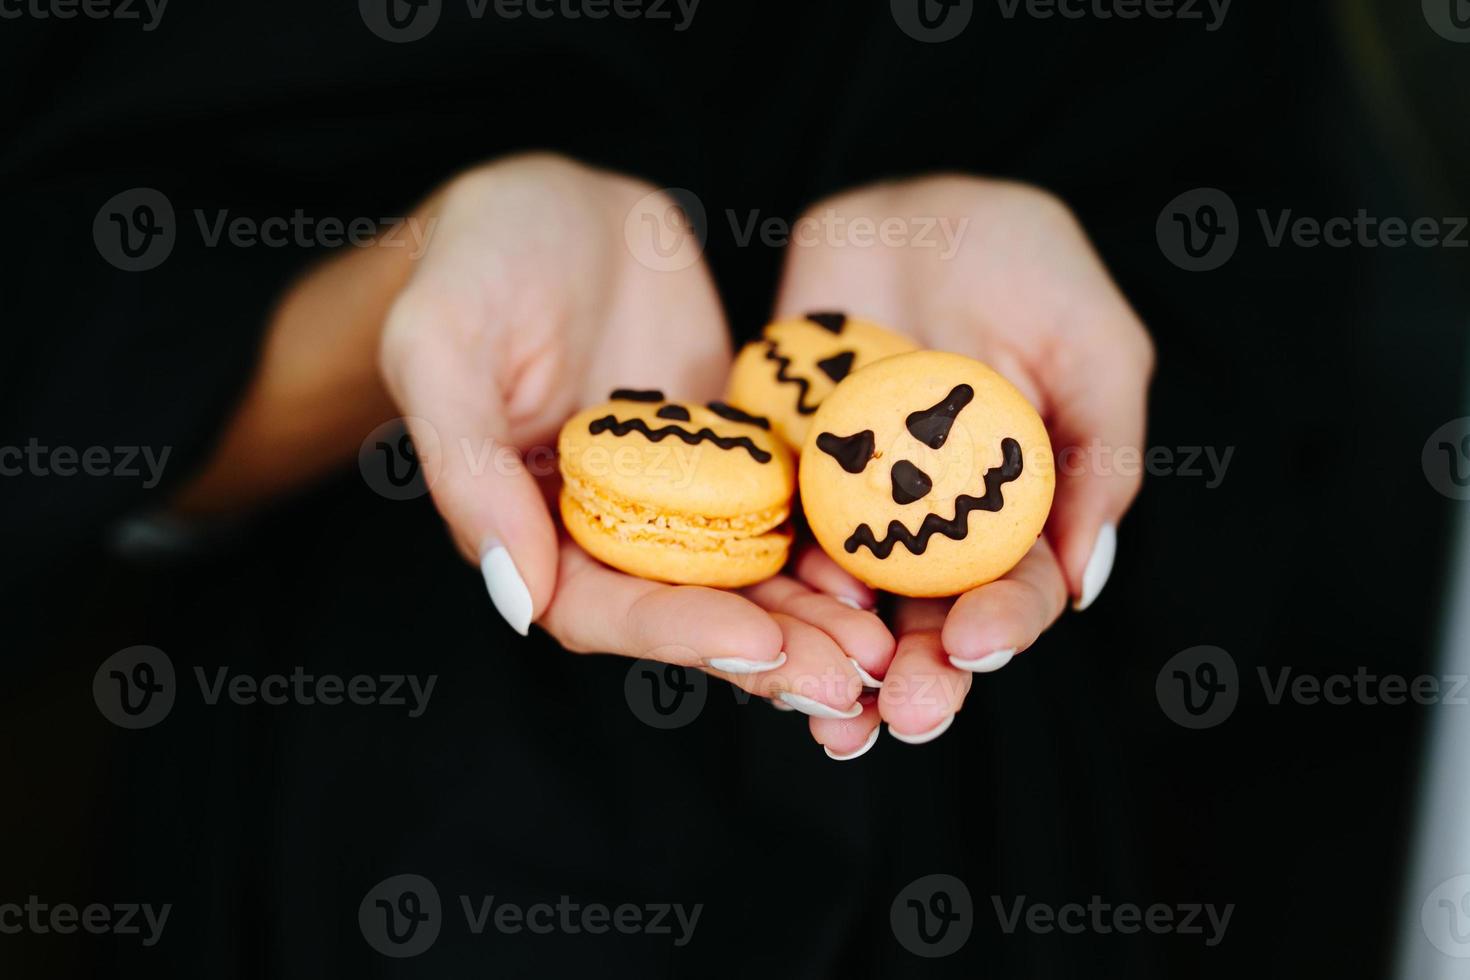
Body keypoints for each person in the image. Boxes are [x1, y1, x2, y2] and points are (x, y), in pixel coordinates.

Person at [169, 152, 1153, 754]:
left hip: (1021, 774)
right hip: (412, 711)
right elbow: (95, 389)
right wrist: (397, 289)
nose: (907, 467)